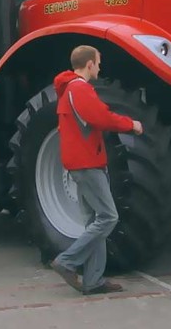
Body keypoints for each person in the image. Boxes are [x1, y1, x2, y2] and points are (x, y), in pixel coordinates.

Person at [49, 46, 143, 295]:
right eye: (98, 63)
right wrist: (131, 124)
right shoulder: (80, 89)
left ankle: (93, 279)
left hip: (78, 163)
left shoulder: (67, 90)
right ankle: (67, 261)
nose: (100, 68)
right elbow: (101, 117)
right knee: (108, 217)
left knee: (93, 219)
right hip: (88, 163)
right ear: (89, 64)